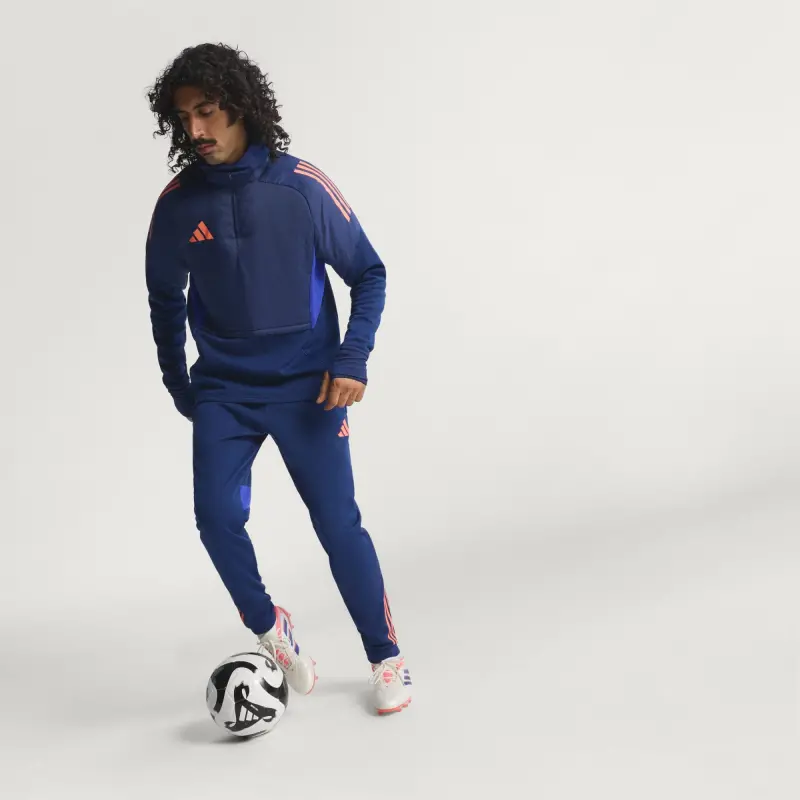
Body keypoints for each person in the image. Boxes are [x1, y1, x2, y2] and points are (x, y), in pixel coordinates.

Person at [144, 42, 411, 715]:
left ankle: (386, 656)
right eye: (184, 117)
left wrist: (351, 359)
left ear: (239, 106)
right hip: (224, 392)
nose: (196, 129)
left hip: (308, 389)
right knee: (215, 518)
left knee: (338, 524)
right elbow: (164, 300)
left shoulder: (301, 186)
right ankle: (270, 628)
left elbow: (369, 272)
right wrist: (180, 385)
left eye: (208, 111)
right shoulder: (177, 205)